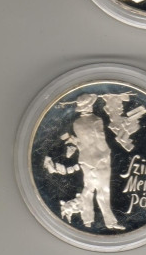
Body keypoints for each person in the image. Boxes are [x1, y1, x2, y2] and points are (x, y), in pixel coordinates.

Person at [45, 94, 124, 230]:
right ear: (90, 105)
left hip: (85, 159)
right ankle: (110, 222)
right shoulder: (96, 120)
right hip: (100, 158)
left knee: (88, 189)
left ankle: (87, 220)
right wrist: (106, 153)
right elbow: (100, 139)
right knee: (103, 190)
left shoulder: (77, 123)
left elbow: (81, 142)